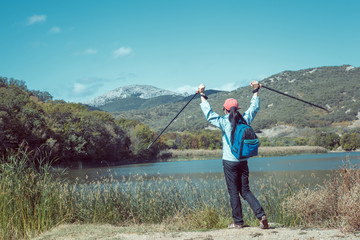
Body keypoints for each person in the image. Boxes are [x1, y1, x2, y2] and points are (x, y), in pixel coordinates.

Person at [197, 81, 269, 229]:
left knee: (234, 193)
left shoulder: (223, 122)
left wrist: (202, 94)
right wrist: (255, 91)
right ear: (238, 109)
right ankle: (261, 215)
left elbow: (209, 115)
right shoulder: (245, 120)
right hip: (243, 161)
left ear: (225, 110)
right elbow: (254, 108)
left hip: (229, 162)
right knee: (245, 190)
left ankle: (238, 222)